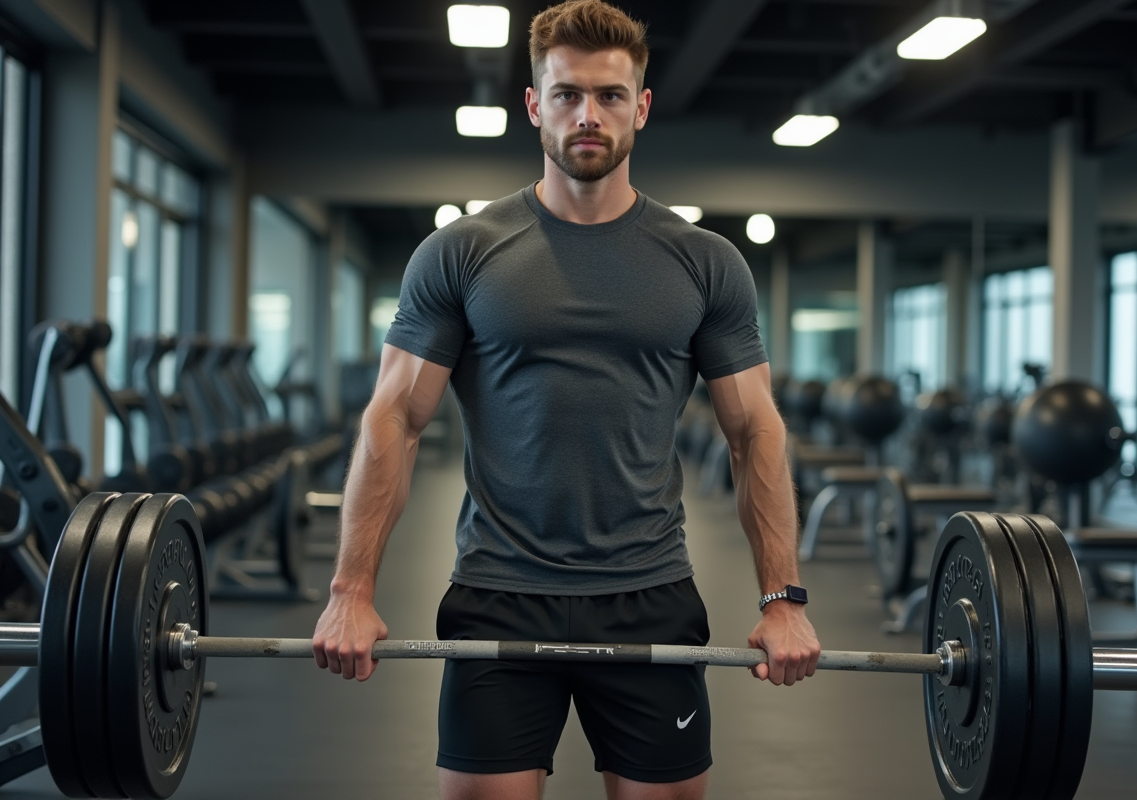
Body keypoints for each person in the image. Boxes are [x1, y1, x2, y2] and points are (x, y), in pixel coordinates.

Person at [312, 1, 821, 798]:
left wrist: (782, 599)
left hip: (649, 591)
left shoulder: (705, 263)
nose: (589, 115)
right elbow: (397, 418)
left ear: (642, 107)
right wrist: (352, 592)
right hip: (499, 593)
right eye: (567, 94)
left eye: (610, 95)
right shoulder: (462, 253)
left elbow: (755, 430)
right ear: (533, 104)